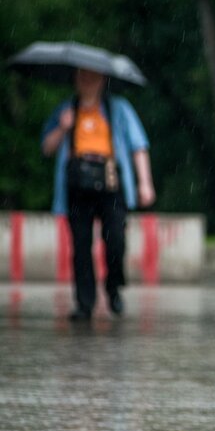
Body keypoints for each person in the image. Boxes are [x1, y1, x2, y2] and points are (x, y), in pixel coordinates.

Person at [42, 68, 155, 321]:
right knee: (81, 245)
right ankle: (85, 303)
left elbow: (139, 146)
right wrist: (63, 128)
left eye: (92, 76)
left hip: (111, 183)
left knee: (116, 239)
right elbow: (47, 147)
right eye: (82, 76)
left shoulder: (119, 109)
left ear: (103, 80)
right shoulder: (66, 109)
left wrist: (145, 183)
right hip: (77, 185)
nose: (86, 81)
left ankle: (113, 287)